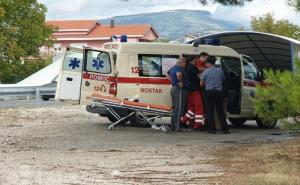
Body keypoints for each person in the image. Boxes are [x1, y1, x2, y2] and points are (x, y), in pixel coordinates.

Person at [200, 56, 230, 134]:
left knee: (210, 111)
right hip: (218, 93)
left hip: (209, 93)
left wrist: (207, 83)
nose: (206, 64)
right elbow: (223, 80)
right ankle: (225, 129)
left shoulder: (206, 72)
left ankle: (212, 129)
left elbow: (201, 83)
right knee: (220, 111)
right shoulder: (220, 71)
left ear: (209, 63)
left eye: (206, 63)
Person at [181, 56, 204, 130]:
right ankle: (197, 125)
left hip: (188, 90)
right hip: (195, 90)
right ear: (194, 59)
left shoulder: (185, 67)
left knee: (191, 107)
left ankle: (188, 121)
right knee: (199, 108)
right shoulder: (193, 67)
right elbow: (201, 77)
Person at [166, 57, 188, 131]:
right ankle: (177, 127)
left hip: (173, 88)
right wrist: (181, 82)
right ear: (181, 62)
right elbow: (179, 75)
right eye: (185, 63)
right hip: (179, 90)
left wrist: (172, 81)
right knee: (179, 109)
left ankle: (173, 126)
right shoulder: (178, 68)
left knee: (175, 108)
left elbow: (167, 74)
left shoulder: (173, 68)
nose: (185, 64)